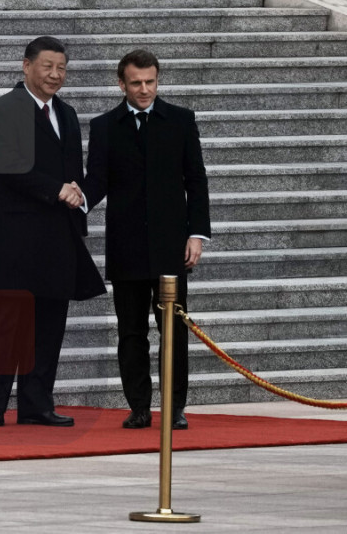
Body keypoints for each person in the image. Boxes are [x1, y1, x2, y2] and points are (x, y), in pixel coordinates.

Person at [0, 36, 106, 427]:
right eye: (48, 66)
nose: (55, 75)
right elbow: (8, 167)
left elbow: (73, 170)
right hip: (18, 238)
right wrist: (56, 190)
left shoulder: (66, 113)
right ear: (26, 66)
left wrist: (80, 195)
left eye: (61, 68)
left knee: (50, 324)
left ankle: (37, 403)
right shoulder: (4, 109)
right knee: (8, 324)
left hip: (58, 236)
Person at [82, 49, 211, 430]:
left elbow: (196, 179)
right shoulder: (105, 126)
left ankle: (174, 406)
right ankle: (138, 407)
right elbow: (97, 182)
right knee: (131, 333)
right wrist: (77, 200)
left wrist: (196, 234)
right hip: (126, 247)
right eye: (136, 83)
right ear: (121, 84)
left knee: (174, 330)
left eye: (150, 82)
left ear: (158, 80)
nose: (144, 89)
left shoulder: (181, 120)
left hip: (171, 247)